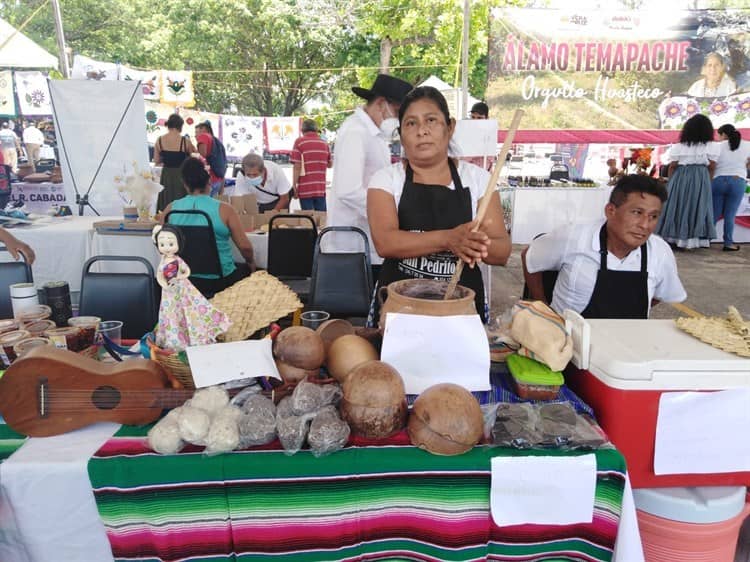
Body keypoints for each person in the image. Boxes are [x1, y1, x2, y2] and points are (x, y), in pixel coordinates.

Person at [367, 86, 511, 322]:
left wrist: (475, 243)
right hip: (400, 309)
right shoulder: (386, 179)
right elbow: (386, 242)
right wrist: (449, 239)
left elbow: (502, 251)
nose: (421, 131)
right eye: (410, 123)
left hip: (461, 310)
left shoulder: (477, 180)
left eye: (431, 120)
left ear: (450, 127)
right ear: (401, 134)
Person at [522, 175, 686, 319]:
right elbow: (529, 257)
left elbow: (661, 295)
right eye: (637, 212)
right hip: (567, 340)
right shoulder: (574, 237)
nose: (645, 225)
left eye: (653, 216)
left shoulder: (659, 251)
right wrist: (541, 305)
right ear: (611, 211)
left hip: (629, 342)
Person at [327, 73, 413, 276]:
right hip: (351, 245)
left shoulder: (374, 134)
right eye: (399, 112)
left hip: (367, 240)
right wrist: (387, 213)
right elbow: (348, 191)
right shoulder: (356, 132)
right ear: (382, 103)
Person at [162, 157, 255, 297]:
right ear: (209, 182)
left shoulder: (170, 210)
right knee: (249, 270)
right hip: (220, 280)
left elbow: (163, 247)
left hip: (184, 278)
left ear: (185, 184)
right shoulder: (225, 210)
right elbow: (245, 247)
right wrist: (251, 263)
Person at [152, 224, 231, 351]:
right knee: (172, 313)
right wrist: (164, 284)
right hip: (169, 292)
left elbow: (187, 271)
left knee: (188, 310)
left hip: (182, 289)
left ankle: (193, 335)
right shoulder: (162, 261)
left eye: (171, 244)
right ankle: (175, 340)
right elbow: (160, 276)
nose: (166, 248)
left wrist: (180, 277)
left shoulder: (177, 260)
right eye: (162, 244)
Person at [656, 113, 718, 250]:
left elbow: (672, 165)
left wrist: (671, 181)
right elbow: (712, 166)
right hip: (701, 177)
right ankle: (692, 240)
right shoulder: (712, 146)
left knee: (676, 205)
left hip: (680, 176)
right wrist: (708, 181)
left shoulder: (679, 146)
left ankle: (672, 237)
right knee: (697, 206)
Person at [712, 124, 750, 252]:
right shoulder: (747, 144)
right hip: (737, 180)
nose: (718, 137)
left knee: (714, 213)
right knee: (730, 214)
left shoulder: (717, 146)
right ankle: (728, 243)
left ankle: (704, 240)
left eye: (719, 135)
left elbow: (711, 164)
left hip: (718, 180)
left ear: (724, 134)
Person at [154, 114, 195, 212]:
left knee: (166, 202)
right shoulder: (185, 141)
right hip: (181, 175)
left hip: (166, 175)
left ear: (168, 125)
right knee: (180, 201)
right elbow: (194, 156)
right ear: (180, 126)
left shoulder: (160, 140)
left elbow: (156, 160)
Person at [290, 119, 332, 211]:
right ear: (316, 130)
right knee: (321, 220)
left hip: (305, 189)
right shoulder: (324, 144)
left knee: (309, 220)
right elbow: (330, 165)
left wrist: (294, 185)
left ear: (302, 130)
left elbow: (297, 166)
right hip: (320, 188)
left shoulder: (299, 142)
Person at [195, 121, 227, 197]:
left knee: (203, 206)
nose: (196, 135)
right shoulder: (217, 142)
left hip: (208, 181)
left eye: (197, 132)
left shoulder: (204, 136)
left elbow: (203, 154)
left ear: (204, 129)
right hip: (218, 179)